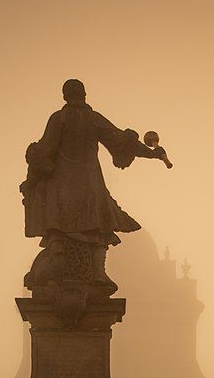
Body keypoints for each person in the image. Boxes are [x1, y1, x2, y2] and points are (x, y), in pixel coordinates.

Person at [20, 79, 169, 294]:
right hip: (90, 186)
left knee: (60, 230)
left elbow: (45, 152)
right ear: (85, 95)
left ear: (65, 97)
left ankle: (60, 255)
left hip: (63, 188)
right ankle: (99, 273)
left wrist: (31, 179)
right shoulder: (93, 119)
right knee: (100, 226)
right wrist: (153, 153)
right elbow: (121, 141)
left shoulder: (58, 119)